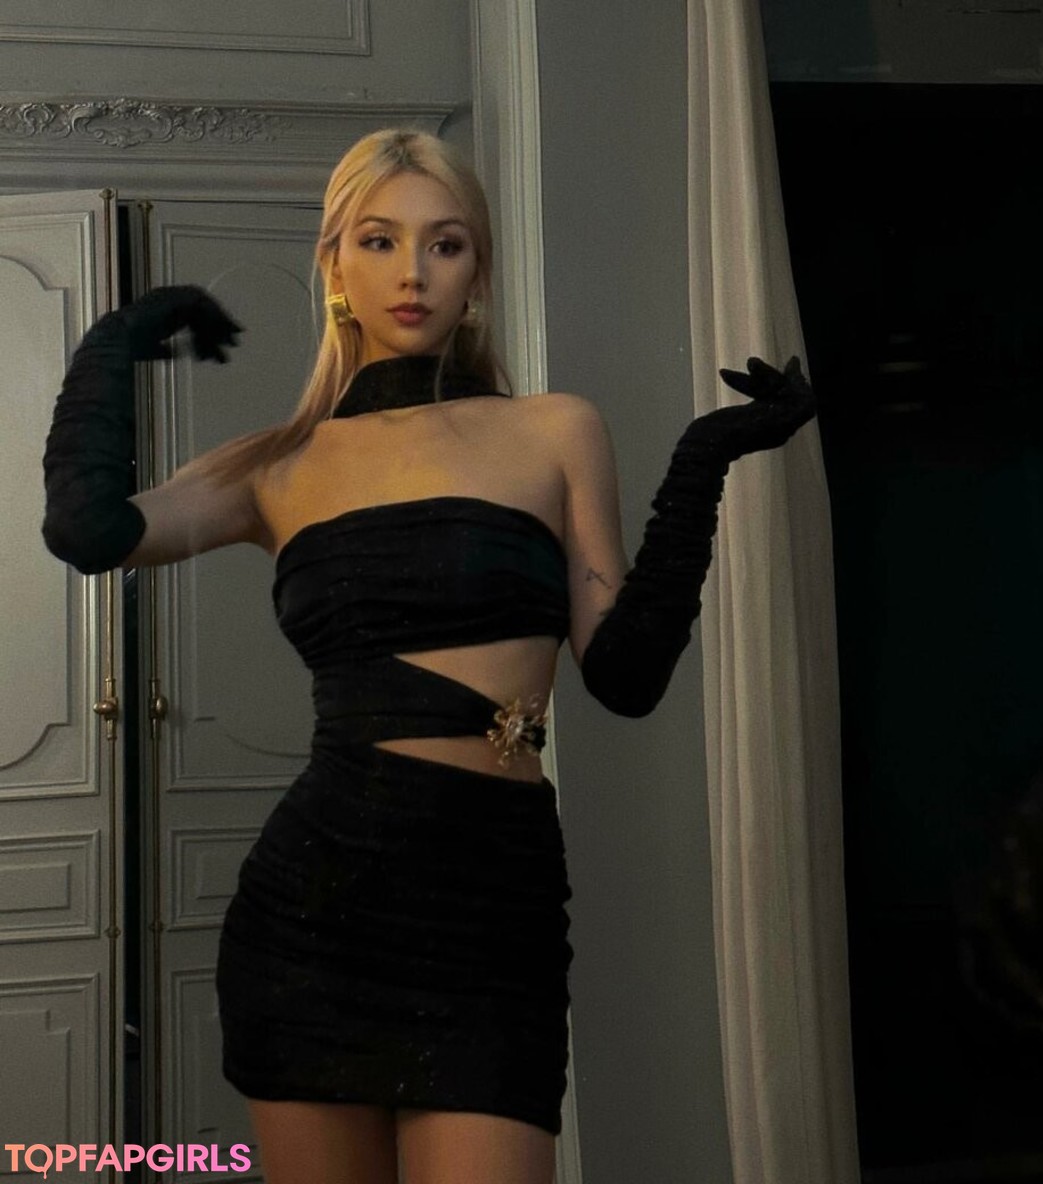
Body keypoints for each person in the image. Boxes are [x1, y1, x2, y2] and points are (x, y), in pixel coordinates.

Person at [42, 127, 815, 1184]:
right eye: (379, 240)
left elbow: (626, 677)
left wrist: (705, 457)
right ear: (335, 266)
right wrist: (111, 342)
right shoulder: (275, 466)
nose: (412, 271)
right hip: (316, 911)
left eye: (444, 244)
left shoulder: (553, 430)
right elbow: (88, 531)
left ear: (477, 272)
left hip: (495, 904)